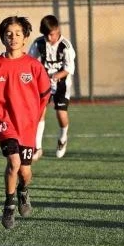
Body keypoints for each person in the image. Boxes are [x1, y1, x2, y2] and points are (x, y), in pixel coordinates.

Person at [0, 16, 51, 229]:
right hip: (5, 124)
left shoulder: (34, 66)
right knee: (13, 163)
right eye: (8, 34)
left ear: (25, 38)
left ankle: (23, 191)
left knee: (25, 171)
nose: (13, 38)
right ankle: (9, 205)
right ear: (2, 37)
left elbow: (44, 94)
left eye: (17, 34)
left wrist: (37, 117)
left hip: (27, 127)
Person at [27, 14, 76, 160]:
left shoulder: (65, 46)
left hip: (61, 84)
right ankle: (37, 147)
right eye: (46, 34)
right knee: (39, 112)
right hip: (43, 84)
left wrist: (54, 77)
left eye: (52, 34)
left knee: (61, 114)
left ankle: (63, 138)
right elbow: (31, 62)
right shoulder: (38, 43)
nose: (49, 38)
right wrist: (39, 76)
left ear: (57, 30)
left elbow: (68, 69)